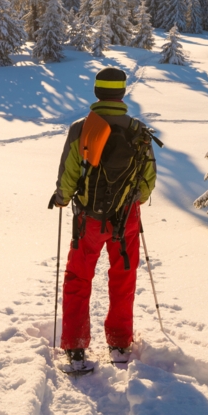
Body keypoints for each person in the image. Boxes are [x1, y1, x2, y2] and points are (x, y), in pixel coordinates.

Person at [50, 67, 157, 369]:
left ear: (97, 93)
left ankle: (75, 346)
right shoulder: (139, 131)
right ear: (122, 93)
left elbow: (69, 175)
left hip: (88, 219)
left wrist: (62, 197)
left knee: (78, 279)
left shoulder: (81, 128)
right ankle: (120, 343)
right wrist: (133, 202)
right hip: (127, 219)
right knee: (123, 278)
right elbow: (148, 181)